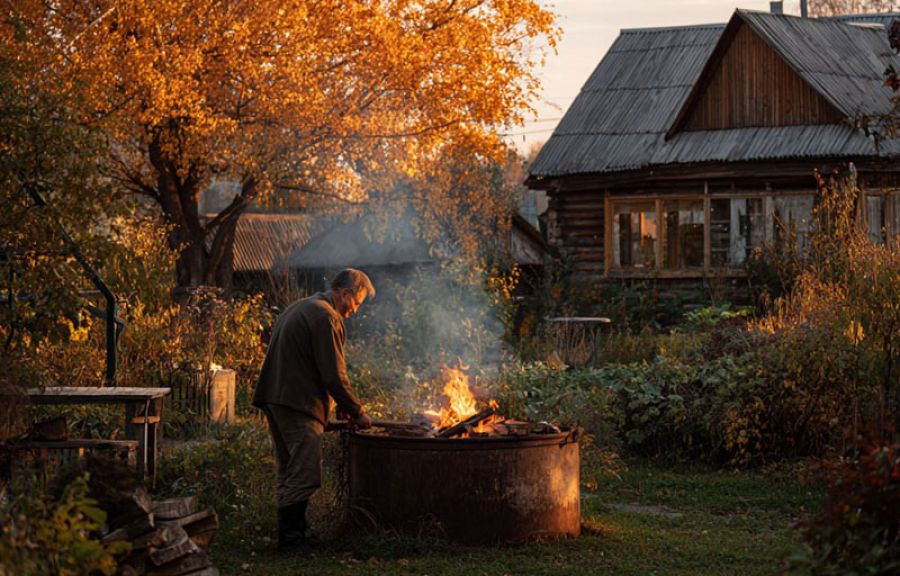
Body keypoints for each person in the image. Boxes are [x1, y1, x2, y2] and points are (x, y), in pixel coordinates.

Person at [253, 268, 374, 552]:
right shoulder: (325, 315)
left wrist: (339, 407)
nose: (354, 312)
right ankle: (292, 543)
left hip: (278, 397)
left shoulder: (302, 306)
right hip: (297, 402)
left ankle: (294, 534)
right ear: (345, 294)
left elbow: (313, 365)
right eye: (356, 304)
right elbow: (333, 374)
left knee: (289, 470)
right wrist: (357, 411)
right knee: (305, 472)